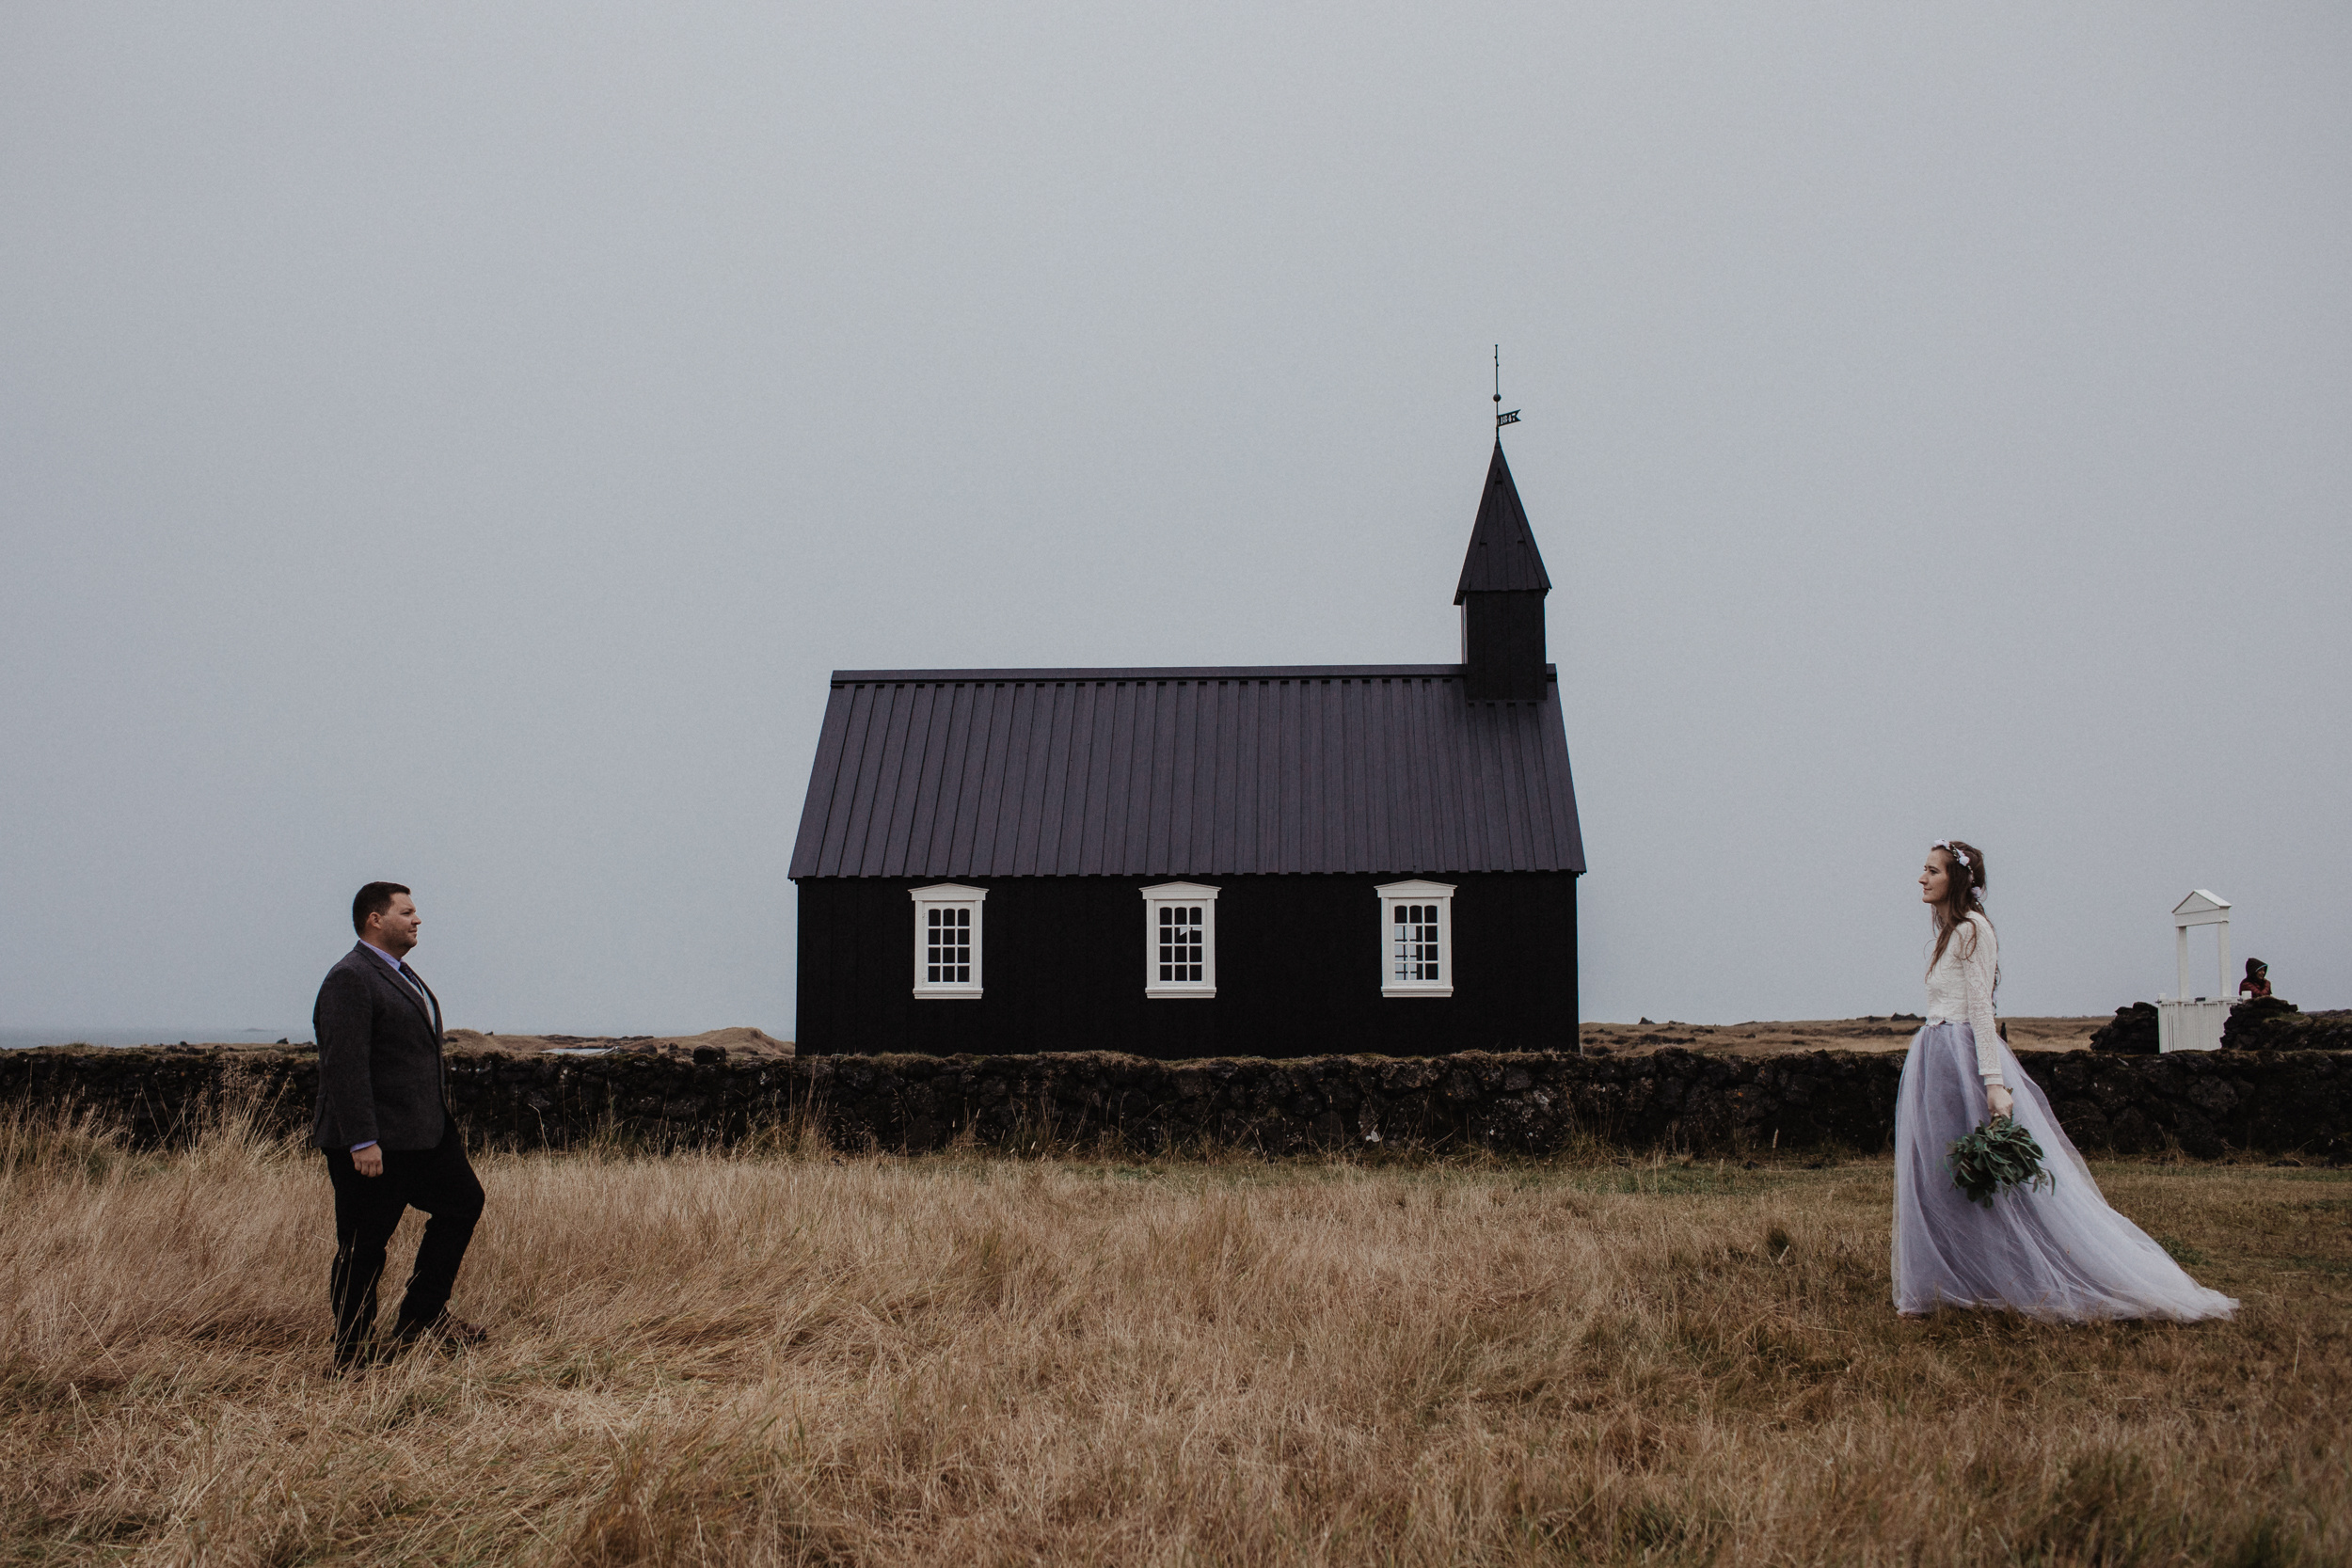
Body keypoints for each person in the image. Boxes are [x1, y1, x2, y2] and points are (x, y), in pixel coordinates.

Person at [1891, 841, 2235, 1321]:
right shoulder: (1950, 933)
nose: (1922, 878)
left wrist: (1993, 1083)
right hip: (1935, 1057)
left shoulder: (1974, 930)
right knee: (1940, 1174)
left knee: (1986, 1177)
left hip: (1961, 1056)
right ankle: (1951, 1280)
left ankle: (2019, 1277)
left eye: (1932, 870)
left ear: (1957, 879)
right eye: (1923, 870)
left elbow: (1982, 1015)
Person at [313, 882, 487, 1370]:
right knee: (363, 1244)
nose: (417, 920)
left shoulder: (399, 974)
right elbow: (345, 1065)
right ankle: (349, 1353)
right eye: (407, 912)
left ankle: (421, 1315)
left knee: (463, 1202)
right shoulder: (350, 978)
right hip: (374, 1144)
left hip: (424, 1137)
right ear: (375, 919)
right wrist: (362, 1140)